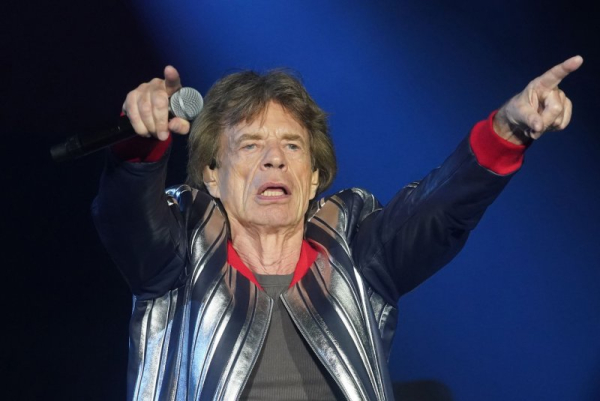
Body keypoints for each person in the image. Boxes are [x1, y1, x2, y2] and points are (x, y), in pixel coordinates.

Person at [93, 56, 583, 400]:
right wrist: (141, 142)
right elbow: (127, 216)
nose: (274, 159)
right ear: (211, 175)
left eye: (292, 146)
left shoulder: (355, 250)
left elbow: (439, 208)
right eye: (250, 145)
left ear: (312, 179)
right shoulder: (179, 251)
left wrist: (508, 131)